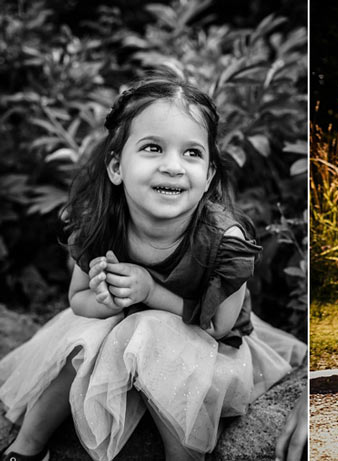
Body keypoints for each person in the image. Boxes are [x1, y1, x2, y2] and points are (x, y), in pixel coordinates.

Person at [0, 76, 307, 461]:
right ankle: (26, 448)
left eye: (192, 153)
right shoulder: (102, 224)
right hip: (123, 327)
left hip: (205, 344)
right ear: (116, 166)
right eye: (152, 148)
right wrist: (105, 300)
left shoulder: (226, 241)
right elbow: (76, 300)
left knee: (152, 332)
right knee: (81, 337)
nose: (173, 167)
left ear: (210, 174)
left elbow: (218, 326)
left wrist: (148, 291)